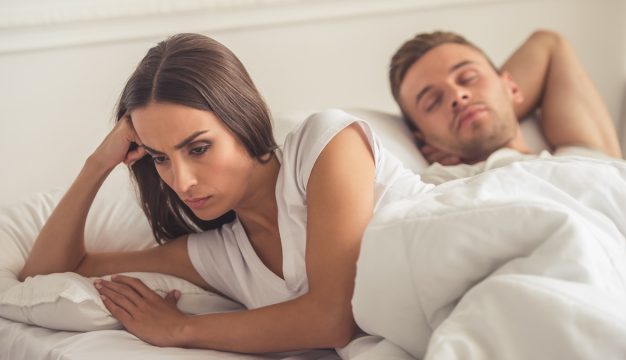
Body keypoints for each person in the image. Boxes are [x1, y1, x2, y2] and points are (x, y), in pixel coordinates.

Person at [18, 33, 433, 353]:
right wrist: (97, 164)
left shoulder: (324, 144)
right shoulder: (221, 256)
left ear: (242, 119)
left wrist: (180, 329)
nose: (182, 182)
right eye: (161, 158)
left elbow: (333, 317)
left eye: (198, 148)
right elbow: (45, 275)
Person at [389, 30, 623, 184]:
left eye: (468, 77)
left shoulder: (586, 158)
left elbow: (549, 44)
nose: (458, 95)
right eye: (433, 101)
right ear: (424, 142)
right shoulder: (435, 186)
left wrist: (493, 113)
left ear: (513, 86)